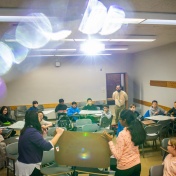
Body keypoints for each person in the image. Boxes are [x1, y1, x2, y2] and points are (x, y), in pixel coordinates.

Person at [15, 111, 64, 176]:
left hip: (25, 163)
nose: (40, 118)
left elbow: (36, 144)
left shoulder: (27, 129)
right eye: (38, 116)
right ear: (34, 119)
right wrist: (59, 134)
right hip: (29, 165)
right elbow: (47, 146)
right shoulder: (32, 132)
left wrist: (42, 134)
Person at [103, 109, 146, 176]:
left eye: (120, 118)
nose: (119, 120)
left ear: (124, 120)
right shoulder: (136, 130)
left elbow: (117, 156)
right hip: (137, 165)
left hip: (125, 168)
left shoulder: (122, 134)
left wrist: (110, 141)